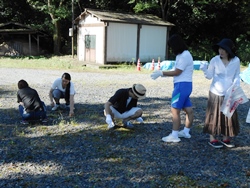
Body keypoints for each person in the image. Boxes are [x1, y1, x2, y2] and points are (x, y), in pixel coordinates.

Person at [150, 34, 194, 143]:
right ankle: (186, 131)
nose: (170, 49)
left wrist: (161, 73)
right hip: (186, 85)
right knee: (188, 109)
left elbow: (177, 72)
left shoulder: (184, 56)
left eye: (171, 46)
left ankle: (174, 135)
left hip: (181, 86)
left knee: (175, 110)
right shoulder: (183, 54)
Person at [200, 38, 241, 148]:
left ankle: (226, 137)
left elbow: (237, 74)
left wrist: (236, 83)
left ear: (229, 50)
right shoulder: (215, 60)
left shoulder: (236, 60)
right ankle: (212, 138)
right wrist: (204, 69)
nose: (221, 51)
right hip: (216, 91)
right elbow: (209, 76)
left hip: (230, 92)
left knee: (228, 115)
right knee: (214, 115)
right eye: (220, 49)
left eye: (224, 49)